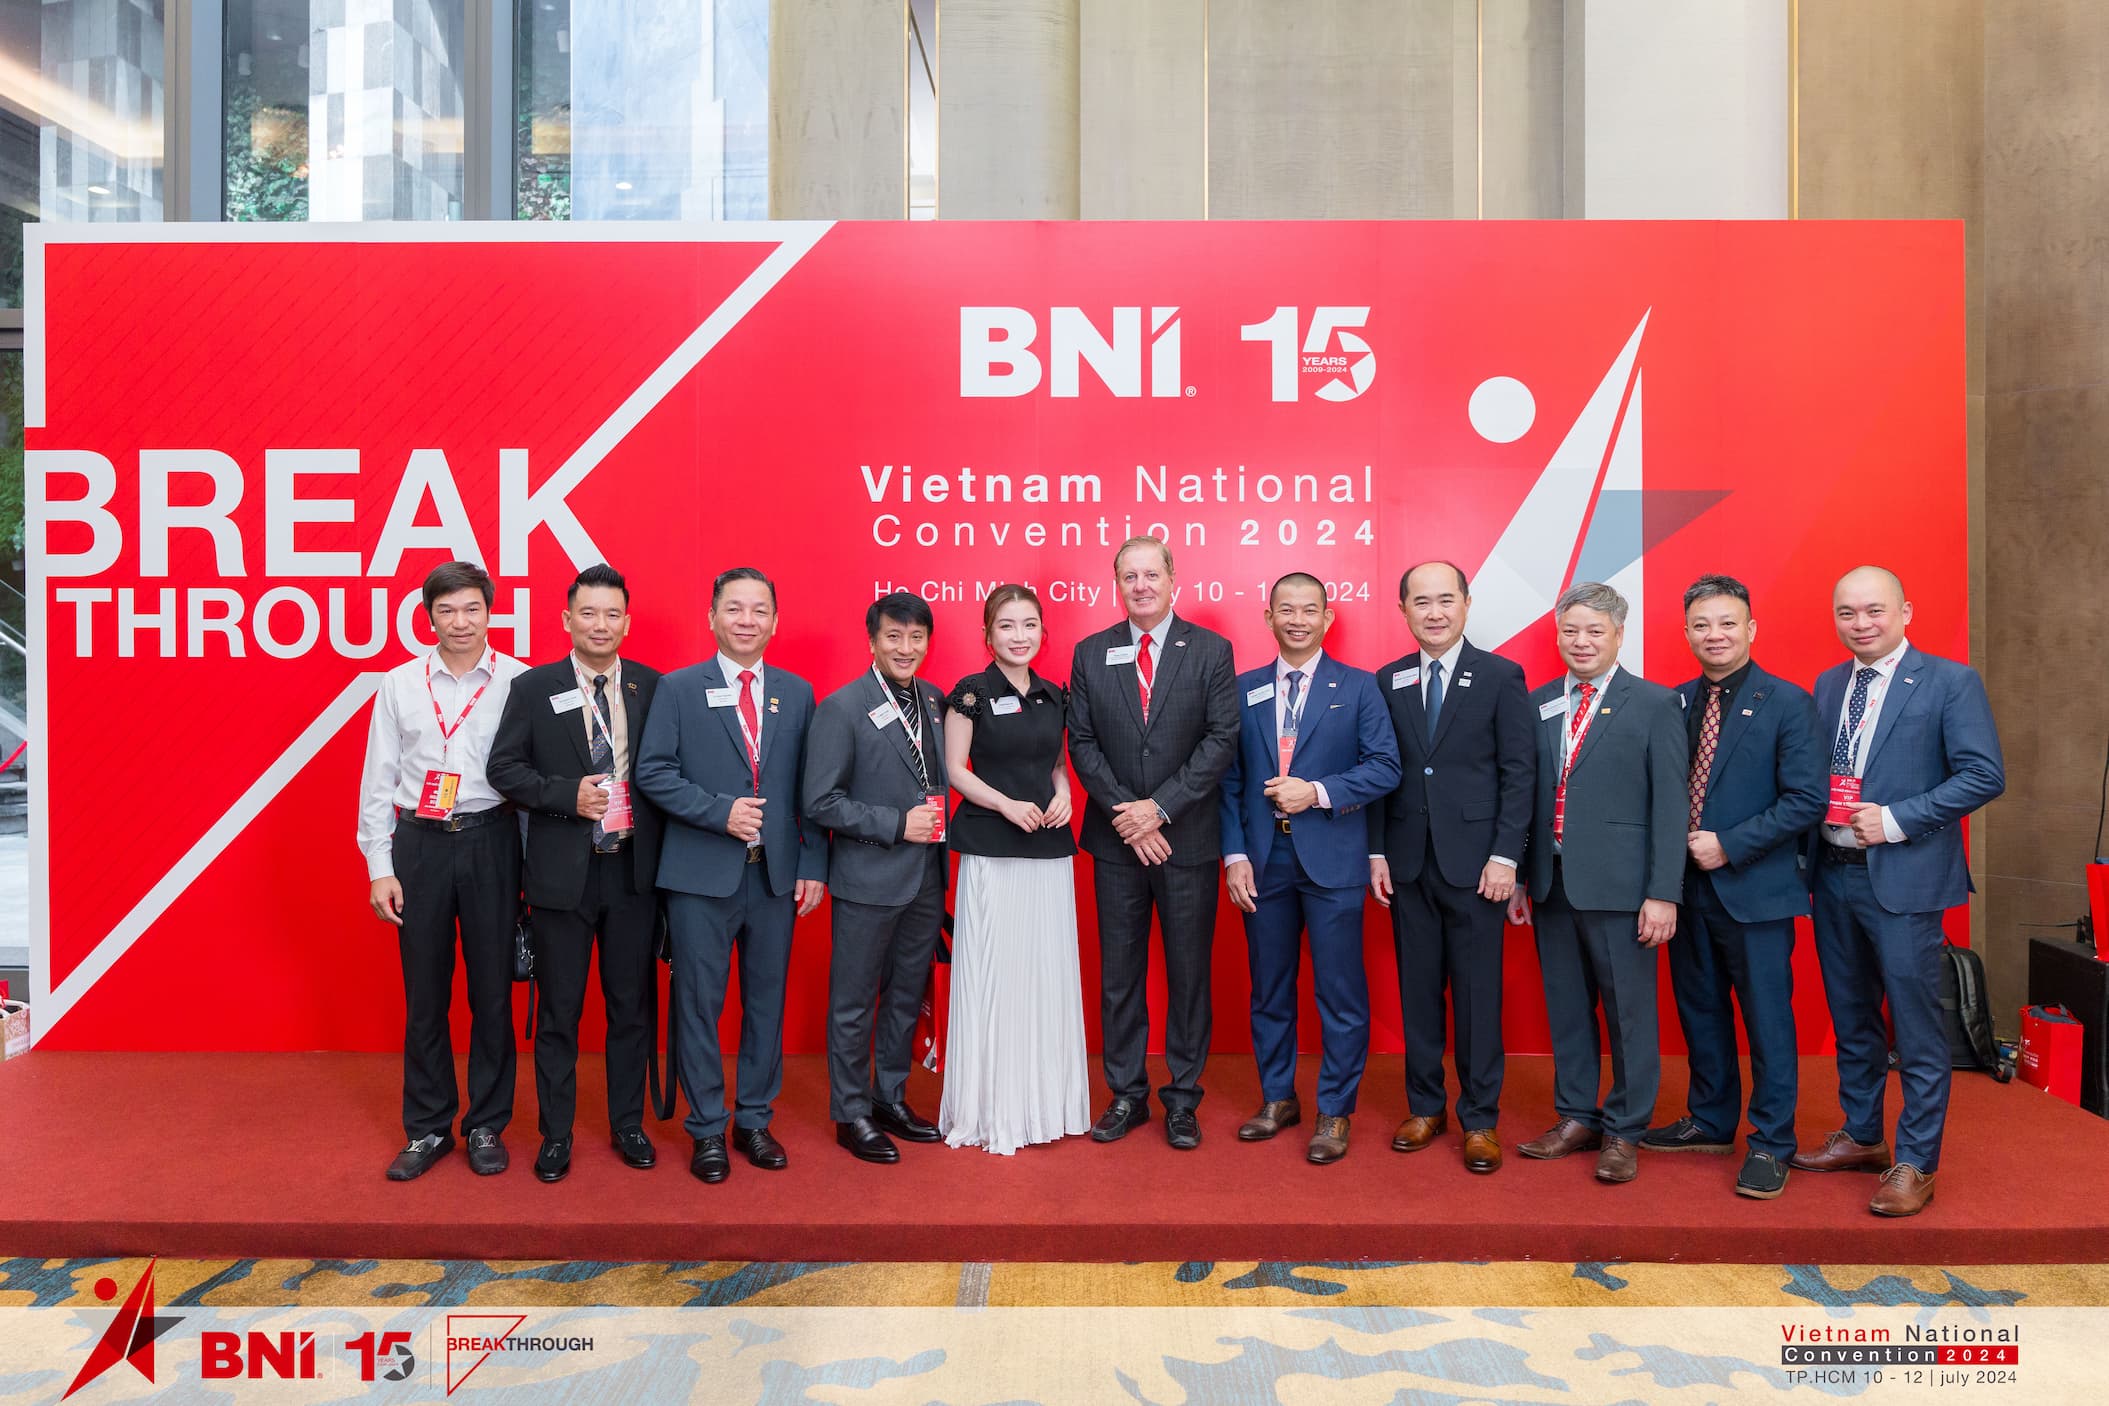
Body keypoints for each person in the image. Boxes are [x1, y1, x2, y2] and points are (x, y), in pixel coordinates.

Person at [1791, 565, 2004, 1217]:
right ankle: (1862, 1135)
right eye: (1846, 613)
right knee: (1851, 1017)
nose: (1860, 624)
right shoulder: (1829, 684)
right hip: (1832, 874)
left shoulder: (1949, 682)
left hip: (1904, 876)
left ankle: (1915, 1161)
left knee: (1914, 1027)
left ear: (1905, 612)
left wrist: (1895, 819)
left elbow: (1983, 774)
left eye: (1874, 610)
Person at [634, 567, 826, 1184]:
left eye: (759, 610)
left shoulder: (797, 692)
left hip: (774, 877)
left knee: (765, 1003)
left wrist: (813, 864)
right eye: (735, 608)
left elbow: (812, 788)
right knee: (699, 1005)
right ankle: (707, 1128)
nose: (747, 620)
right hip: (700, 876)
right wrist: (720, 813)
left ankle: (754, 1120)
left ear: (775, 621)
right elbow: (653, 772)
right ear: (712, 617)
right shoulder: (678, 688)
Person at [1641, 574, 1825, 1200]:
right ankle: (1711, 1119)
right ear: (1686, 632)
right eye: (1701, 625)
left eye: (1726, 623)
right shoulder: (1674, 702)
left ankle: (1772, 1141)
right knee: (1700, 1009)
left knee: (1767, 1019)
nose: (1714, 635)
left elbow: (1807, 799)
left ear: (1751, 628)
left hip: (1756, 890)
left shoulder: (1788, 702)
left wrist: (1730, 844)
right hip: (1684, 890)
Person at [488, 563, 665, 1183]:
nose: (600, 625)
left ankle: (628, 1125)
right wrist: (568, 795)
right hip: (561, 875)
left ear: (627, 622)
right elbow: (503, 769)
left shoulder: (651, 686)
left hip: (632, 872)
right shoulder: (534, 688)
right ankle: (556, 1133)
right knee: (559, 1012)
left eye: (612, 614)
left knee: (630, 1009)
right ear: (567, 620)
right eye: (588, 613)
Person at [1509, 581, 1686, 1185]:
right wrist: (1520, 875)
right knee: (1567, 1009)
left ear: (1618, 635)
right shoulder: (1539, 702)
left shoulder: (1655, 704)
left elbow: (1672, 806)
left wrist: (1663, 892)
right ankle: (1577, 1117)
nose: (1581, 642)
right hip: (1552, 883)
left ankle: (1625, 1130)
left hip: (1624, 889)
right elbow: (1527, 796)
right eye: (1570, 631)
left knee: (1628, 1015)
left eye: (1594, 631)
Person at [1066, 537, 1239, 1150]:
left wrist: (1159, 809)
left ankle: (1183, 1098)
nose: (1141, 586)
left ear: (1172, 580)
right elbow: (1082, 742)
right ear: (1117, 584)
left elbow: (1221, 739)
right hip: (1117, 843)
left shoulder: (1211, 650)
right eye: (1129, 576)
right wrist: (1129, 816)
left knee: (1189, 975)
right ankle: (1127, 1094)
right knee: (1120, 976)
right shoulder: (1091, 652)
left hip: (1185, 840)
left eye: (1151, 574)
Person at [1222, 573, 1401, 1163]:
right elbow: (1230, 781)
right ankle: (1278, 1098)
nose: (1297, 620)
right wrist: (1235, 855)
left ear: (1328, 617)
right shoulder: (1244, 689)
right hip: (1263, 862)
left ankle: (1335, 1111)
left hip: (1333, 861)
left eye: (1309, 610)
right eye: (1286, 610)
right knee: (1269, 989)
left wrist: (1317, 792)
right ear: (1268, 617)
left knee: (1339, 993)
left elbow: (1385, 767)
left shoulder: (1360, 687)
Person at [358, 560, 527, 1181]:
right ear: (428, 616)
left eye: (472, 609)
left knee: (492, 994)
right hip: (420, 847)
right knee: (425, 995)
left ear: (490, 612)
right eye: (447, 610)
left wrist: (531, 869)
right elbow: (378, 780)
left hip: (493, 840)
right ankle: (427, 1128)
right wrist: (380, 865)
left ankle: (486, 1124)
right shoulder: (400, 684)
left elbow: (531, 779)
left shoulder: (519, 682)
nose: (460, 622)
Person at [1369, 561, 1534, 1174]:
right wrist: (1377, 851)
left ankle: (1481, 1118)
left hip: (1478, 867)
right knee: (1418, 994)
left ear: (1466, 603)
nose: (1434, 612)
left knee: (1476, 998)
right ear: (1403, 610)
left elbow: (1520, 773)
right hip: (1408, 863)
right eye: (1421, 602)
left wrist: (1506, 857)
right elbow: (1380, 770)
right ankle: (1425, 1107)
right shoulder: (1387, 680)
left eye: (1445, 599)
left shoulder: (1500, 676)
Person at [938, 585, 1090, 1154]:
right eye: (1006, 626)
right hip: (992, 848)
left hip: (1048, 849)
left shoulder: (1055, 695)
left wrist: (1064, 793)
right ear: (988, 635)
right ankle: (990, 1109)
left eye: (1029, 625)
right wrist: (1005, 804)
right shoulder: (970, 694)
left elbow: (1055, 763)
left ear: (1042, 634)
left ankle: (1044, 1106)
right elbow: (955, 769)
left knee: (1044, 974)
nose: (1019, 636)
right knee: (997, 975)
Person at [804, 591, 952, 1164]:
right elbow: (820, 801)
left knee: (905, 995)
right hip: (868, 878)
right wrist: (895, 824)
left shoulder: (933, 700)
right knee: (853, 1002)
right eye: (894, 636)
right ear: (872, 641)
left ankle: (889, 1097)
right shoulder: (842, 707)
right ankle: (851, 1113)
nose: (905, 648)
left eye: (916, 637)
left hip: (926, 878)